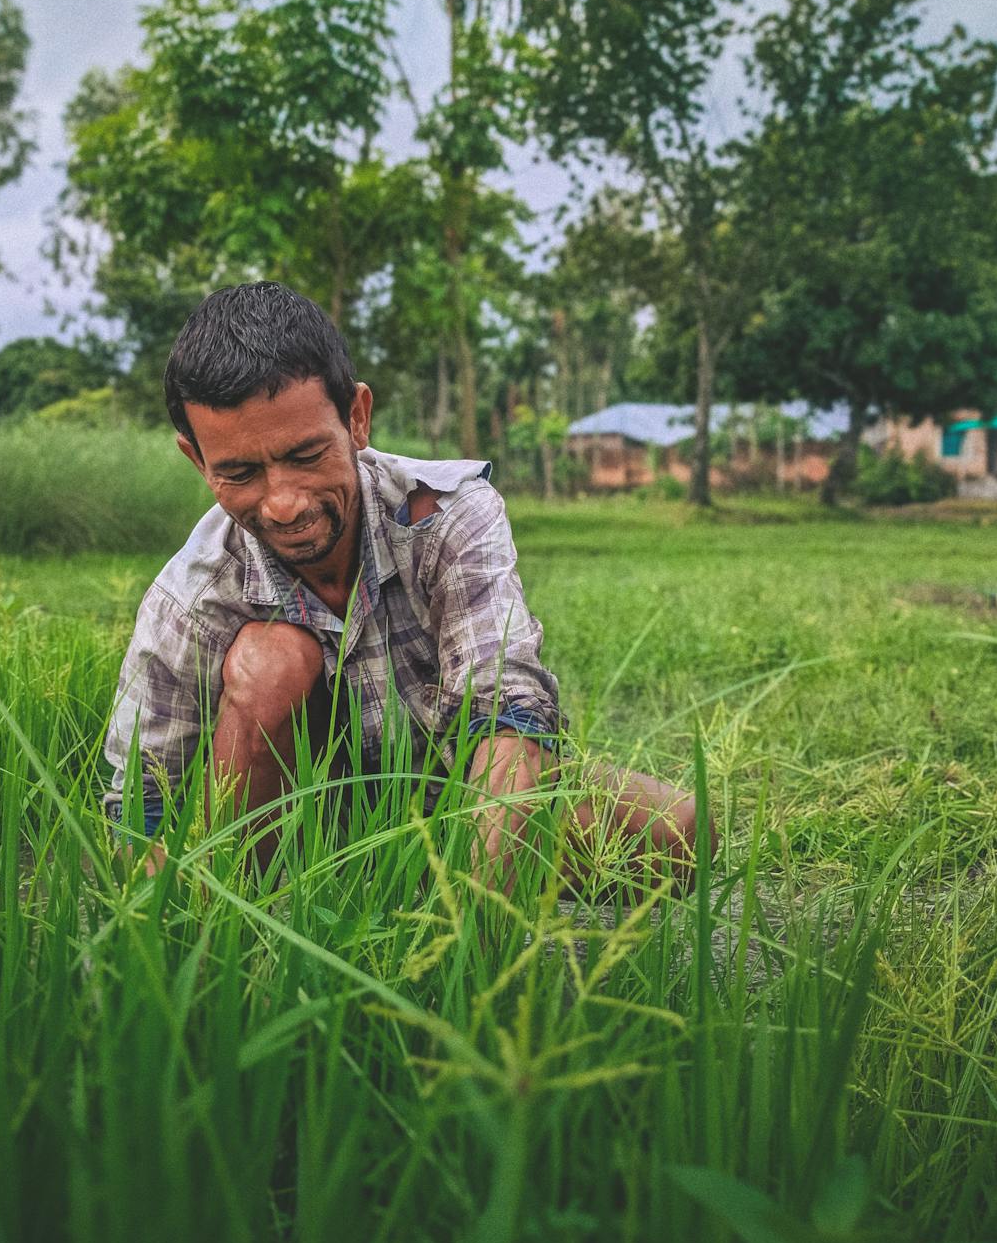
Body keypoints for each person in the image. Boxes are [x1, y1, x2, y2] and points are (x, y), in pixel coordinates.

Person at [102, 281, 695, 886]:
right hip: (291, 837)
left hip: (456, 804)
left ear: (356, 418)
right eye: (240, 473)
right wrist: (179, 900)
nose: (283, 504)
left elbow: (505, 709)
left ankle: (430, 879)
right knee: (271, 661)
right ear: (198, 460)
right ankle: (282, 896)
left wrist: (473, 924)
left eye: (306, 456)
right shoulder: (194, 596)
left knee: (680, 833)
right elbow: (142, 809)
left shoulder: (448, 517)